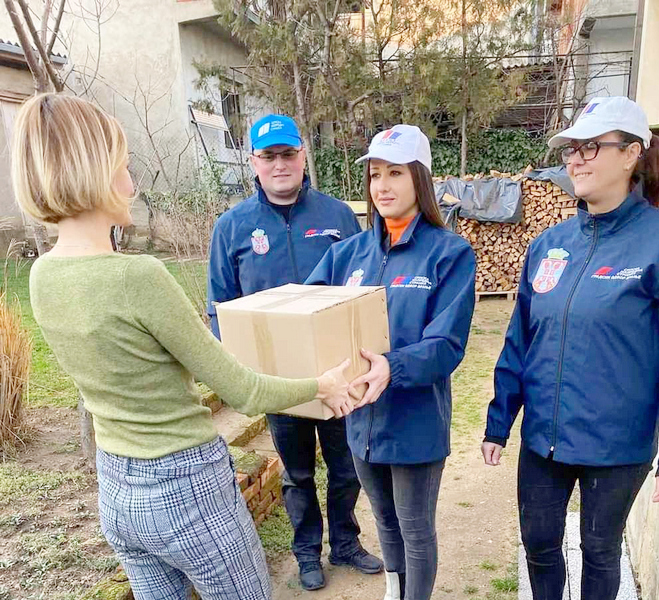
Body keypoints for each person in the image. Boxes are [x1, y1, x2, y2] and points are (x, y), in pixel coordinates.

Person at [12, 93, 357, 600]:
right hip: (184, 489)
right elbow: (241, 390)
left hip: (117, 489)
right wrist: (323, 384)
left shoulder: (42, 275)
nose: (132, 183)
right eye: (124, 166)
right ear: (98, 174)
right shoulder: (138, 277)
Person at [482, 96, 659, 600]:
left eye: (592, 147)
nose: (576, 159)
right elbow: (520, 340)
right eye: (570, 150)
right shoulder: (550, 244)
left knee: (599, 551)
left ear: (632, 153)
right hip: (544, 437)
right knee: (539, 545)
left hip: (617, 444)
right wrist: (499, 421)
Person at [207, 114, 381, 591]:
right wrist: (237, 367)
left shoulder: (337, 218)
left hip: (339, 371)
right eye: (269, 156)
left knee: (348, 467)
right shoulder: (232, 227)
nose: (279, 164)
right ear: (254, 164)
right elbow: (219, 308)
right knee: (297, 473)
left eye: (288, 154)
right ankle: (306, 552)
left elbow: (362, 288)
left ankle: (345, 542)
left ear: (303, 156)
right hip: (278, 381)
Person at [306, 124, 477, 600]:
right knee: (383, 520)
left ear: (419, 179)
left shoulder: (450, 254)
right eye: (375, 174)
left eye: (396, 173)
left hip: (415, 419)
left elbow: (445, 344)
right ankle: (392, 590)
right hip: (361, 420)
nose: (382, 185)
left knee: (416, 528)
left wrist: (392, 366)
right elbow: (308, 312)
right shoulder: (347, 254)